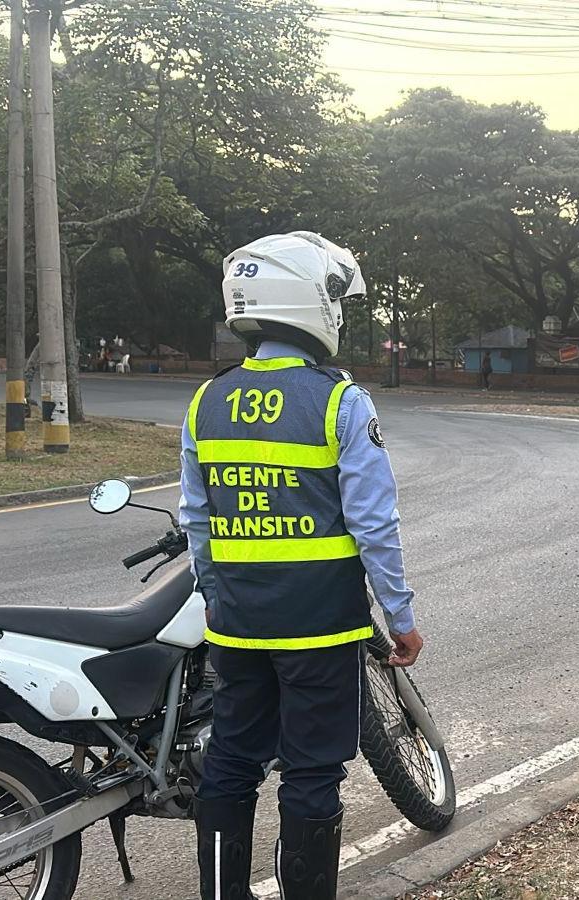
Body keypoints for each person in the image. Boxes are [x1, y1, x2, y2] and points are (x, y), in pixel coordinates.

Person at [179, 231, 422, 900]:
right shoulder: (340, 401)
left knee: (231, 764)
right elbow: (374, 524)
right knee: (312, 773)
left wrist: (218, 593)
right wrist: (400, 616)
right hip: (320, 627)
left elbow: (197, 522)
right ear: (312, 303)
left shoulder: (208, 402)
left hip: (237, 624)